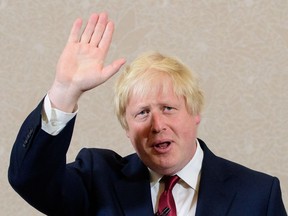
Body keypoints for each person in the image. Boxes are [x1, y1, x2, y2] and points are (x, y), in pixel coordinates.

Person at [8, 12, 287, 216]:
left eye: (168, 108)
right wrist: (64, 90)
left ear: (194, 113)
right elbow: (29, 180)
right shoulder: (97, 178)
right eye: (142, 113)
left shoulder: (259, 194)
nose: (157, 125)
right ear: (127, 129)